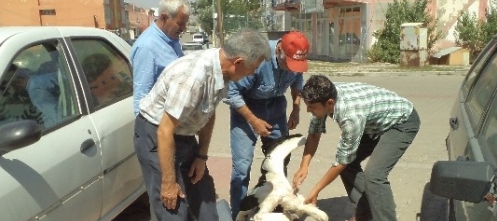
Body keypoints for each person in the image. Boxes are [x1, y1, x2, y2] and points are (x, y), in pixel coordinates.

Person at [135, 28, 271, 221]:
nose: (252, 73)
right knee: (173, 209)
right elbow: (165, 131)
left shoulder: (222, 72)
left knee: (206, 207)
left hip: (185, 137)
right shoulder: (193, 78)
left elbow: (209, 112)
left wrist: (201, 156)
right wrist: (168, 182)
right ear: (238, 63)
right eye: (252, 69)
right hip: (158, 137)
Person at [292, 75, 421, 221]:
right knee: (349, 165)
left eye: (312, 107)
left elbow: (342, 161)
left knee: (374, 175)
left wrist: (316, 190)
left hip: (401, 122)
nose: (308, 111)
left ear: (329, 103)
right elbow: (314, 135)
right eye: (307, 106)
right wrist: (304, 166)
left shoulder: (351, 116)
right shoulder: (324, 95)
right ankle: (366, 214)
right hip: (372, 123)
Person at [227, 31, 310, 220]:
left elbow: (297, 84)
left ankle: (272, 202)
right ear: (279, 50)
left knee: (281, 160)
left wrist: (296, 109)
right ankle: (238, 213)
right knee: (242, 166)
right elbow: (232, 93)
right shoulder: (258, 58)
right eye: (287, 63)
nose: (291, 68)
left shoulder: (295, 60)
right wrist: (254, 121)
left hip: (276, 109)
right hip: (247, 109)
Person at [131, 0, 190, 117]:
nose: (184, 28)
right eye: (180, 23)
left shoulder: (172, 40)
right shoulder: (147, 47)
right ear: (164, 17)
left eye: (185, 23)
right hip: (158, 126)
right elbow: (141, 98)